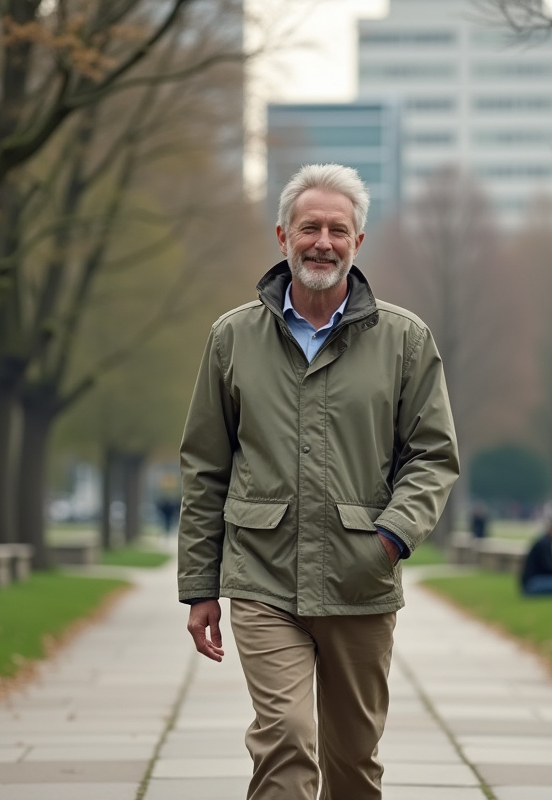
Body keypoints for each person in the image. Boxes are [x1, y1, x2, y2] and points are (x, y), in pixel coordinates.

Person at [177, 163, 460, 800]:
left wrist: (390, 538)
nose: (323, 242)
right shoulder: (232, 339)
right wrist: (200, 588)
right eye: (310, 228)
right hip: (262, 576)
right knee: (286, 741)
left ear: (358, 242)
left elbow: (433, 455)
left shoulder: (405, 341)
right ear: (283, 236)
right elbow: (205, 468)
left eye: (338, 229)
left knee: (353, 764)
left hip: (361, 578)